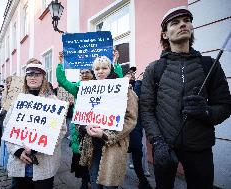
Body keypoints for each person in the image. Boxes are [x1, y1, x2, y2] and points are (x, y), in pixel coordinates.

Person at [140, 6, 231, 189]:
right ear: (165, 34)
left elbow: (225, 106)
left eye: (187, 21)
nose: (183, 24)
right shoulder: (154, 69)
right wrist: (157, 142)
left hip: (200, 147)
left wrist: (206, 111)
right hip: (165, 146)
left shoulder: (209, 65)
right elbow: (146, 110)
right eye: (175, 22)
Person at [56, 50, 122, 189]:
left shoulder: (108, 84)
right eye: (83, 73)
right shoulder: (78, 88)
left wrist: (115, 62)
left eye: (88, 72)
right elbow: (62, 81)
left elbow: (119, 82)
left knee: (108, 173)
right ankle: (85, 183)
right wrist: (60, 64)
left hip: (107, 135)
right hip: (85, 134)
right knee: (86, 164)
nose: (85, 74)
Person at [76, 56, 137, 189]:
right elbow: (80, 118)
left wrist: (105, 134)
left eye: (104, 68)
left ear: (111, 69)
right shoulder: (87, 90)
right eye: (97, 69)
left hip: (113, 147)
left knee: (110, 185)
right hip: (92, 147)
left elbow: (131, 119)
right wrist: (85, 127)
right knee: (94, 183)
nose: (100, 71)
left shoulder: (124, 89)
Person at [5, 58, 66, 189]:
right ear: (26, 78)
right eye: (30, 74)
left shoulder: (53, 102)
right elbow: (7, 127)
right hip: (20, 162)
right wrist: (17, 151)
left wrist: (39, 147)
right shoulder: (18, 101)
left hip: (44, 163)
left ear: (43, 77)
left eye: (37, 74)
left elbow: (60, 131)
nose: (33, 77)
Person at [125, 68, 152, 189]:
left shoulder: (138, 85)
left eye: (133, 73)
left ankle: (142, 179)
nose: (132, 75)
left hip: (137, 127)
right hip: (125, 129)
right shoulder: (122, 88)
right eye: (129, 73)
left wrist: (139, 82)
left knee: (138, 154)